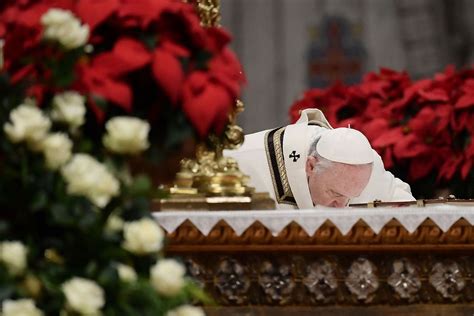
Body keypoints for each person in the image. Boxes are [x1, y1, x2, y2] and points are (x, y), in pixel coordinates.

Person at [224, 109, 415, 209]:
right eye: (335, 194)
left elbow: (404, 207)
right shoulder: (241, 163)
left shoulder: (364, 167)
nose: (341, 207)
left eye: (350, 198)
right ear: (311, 166)